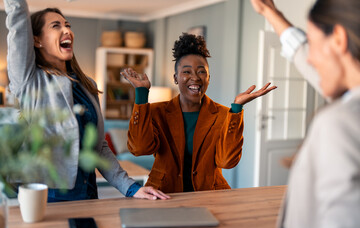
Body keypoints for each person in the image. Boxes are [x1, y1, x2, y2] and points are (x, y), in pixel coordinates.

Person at [4, 0, 169, 202]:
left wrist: (131, 188)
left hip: (88, 191)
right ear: (36, 40)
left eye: (67, 25)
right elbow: (18, 24)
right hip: (49, 196)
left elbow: (99, 147)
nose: (67, 30)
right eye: (56, 26)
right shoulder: (30, 81)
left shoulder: (87, 85)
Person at [251, 0, 360, 228]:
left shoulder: (339, 122)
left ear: (339, 39)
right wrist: (271, 13)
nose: (309, 59)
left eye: (313, 43)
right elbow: (300, 53)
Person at [121, 33, 276, 193]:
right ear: (175, 78)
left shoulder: (224, 114)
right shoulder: (156, 112)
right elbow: (139, 149)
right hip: (163, 193)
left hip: (211, 194)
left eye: (201, 72)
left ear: (209, 77)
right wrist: (141, 94)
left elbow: (226, 161)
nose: (195, 77)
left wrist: (237, 108)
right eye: (186, 72)